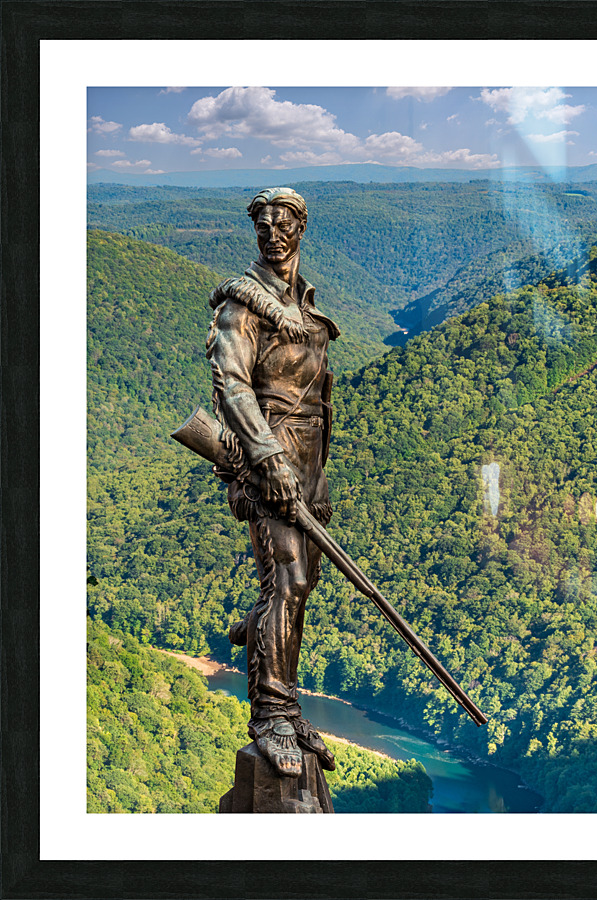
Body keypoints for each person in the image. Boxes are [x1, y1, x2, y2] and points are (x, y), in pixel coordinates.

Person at [206, 187, 339, 778]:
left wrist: (320, 475)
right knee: (287, 580)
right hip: (270, 460)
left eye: (283, 223)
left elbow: (323, 401)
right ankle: (272, 716)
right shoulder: (242, 307)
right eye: (263, 224)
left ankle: (275, 678)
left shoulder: (305, 305)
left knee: (299, 584)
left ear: (301, 227)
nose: (273, 233)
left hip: (309, 464)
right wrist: (267, 461)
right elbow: (232, 387)